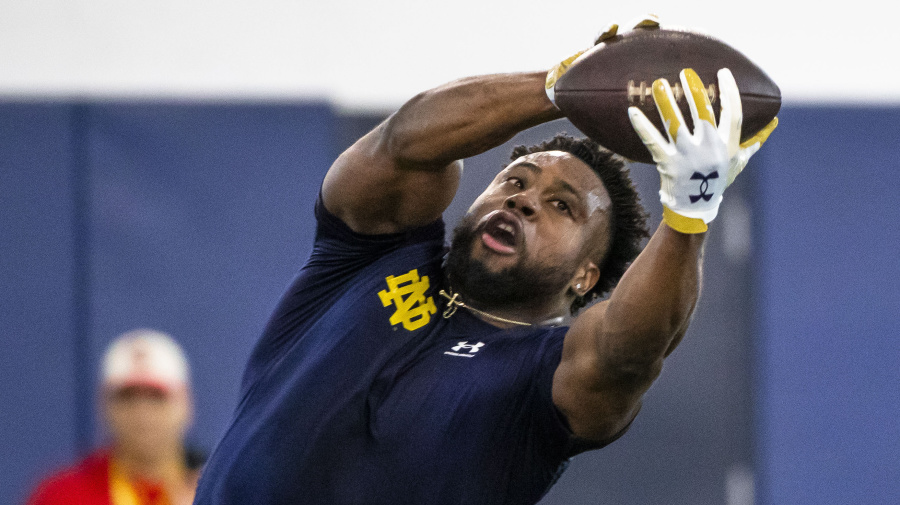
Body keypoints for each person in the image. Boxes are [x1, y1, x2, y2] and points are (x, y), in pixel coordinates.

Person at [193, 19, 777, 505]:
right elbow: (405, 144)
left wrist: (689, 214)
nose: (521, 200)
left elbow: (631, 351)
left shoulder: (544, 373)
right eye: (512, 182)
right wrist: (562, 84)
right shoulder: (368, 257)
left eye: (560, 207)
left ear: (585, 275)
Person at [26, 329, 204, 505]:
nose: (142, 413)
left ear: (186, 404)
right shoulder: (61, 496)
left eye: (156, 397)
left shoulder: (217, 491)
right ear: (103, 405)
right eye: (127, 397)